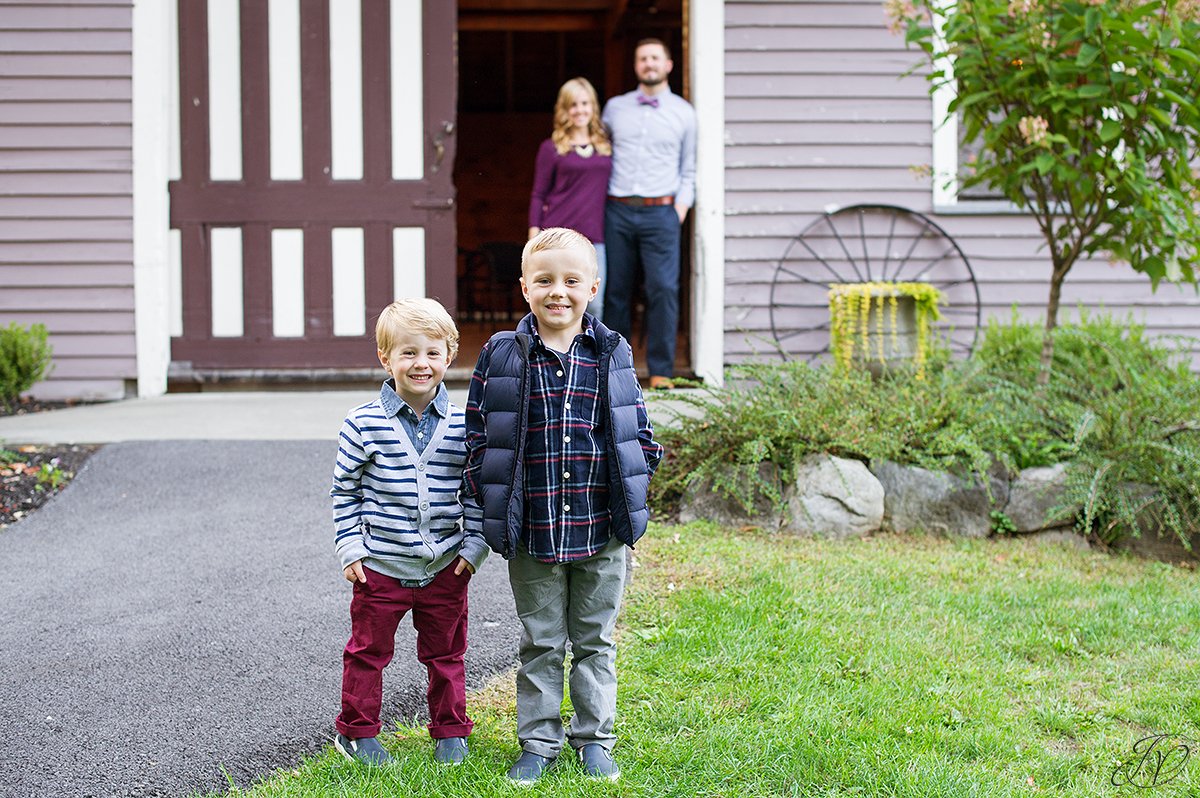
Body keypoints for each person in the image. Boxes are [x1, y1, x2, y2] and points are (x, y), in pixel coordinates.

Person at [463, 228, 664, 785]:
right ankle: (538, 741)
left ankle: (594, 737)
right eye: (545, 280)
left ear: (592, 286)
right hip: (534, 527)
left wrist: (640, 474)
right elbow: (480, 432)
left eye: (572, 281)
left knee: (595, 639)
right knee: (542, 640)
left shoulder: (611, 350)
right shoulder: (503, 353)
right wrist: (488, 495)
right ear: (524, 286)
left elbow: (635, 426)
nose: (559, 292)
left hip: (601, 527)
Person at [330, 298, 488, 768]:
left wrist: (474, 547)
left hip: (445, 565)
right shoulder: (362, 424)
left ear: (449, 355)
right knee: (367, 653)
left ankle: (450, 731)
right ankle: (358, 732)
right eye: (408, 353)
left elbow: (475, 491)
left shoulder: (464, 424)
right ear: (386, 357)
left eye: (432, 353)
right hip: (380, 566)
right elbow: (345, 492)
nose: (421, 363)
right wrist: (351, 547)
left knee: (446, 654)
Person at [602, 37, 697, 390]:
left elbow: (690, 169)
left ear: (669, 65)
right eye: (643, 58)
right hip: (618, 209)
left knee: (663, 289)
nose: (649, 64)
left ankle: (661, 371)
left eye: (656, 58)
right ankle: (613, 370)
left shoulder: (684, 113)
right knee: (616, 291)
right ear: (636, 65)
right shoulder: (614, 109)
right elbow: (600, 157)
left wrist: (678, 212)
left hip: (662, 212)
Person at [528, 77, 613, 321]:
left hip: (594, 237)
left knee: (594, 304)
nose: (580, 110)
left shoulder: (605, 147)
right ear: (565, 110)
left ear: (593, 107)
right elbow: (538, 193)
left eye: (585, 103)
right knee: (553, 300)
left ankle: (589, 357)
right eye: (573, 105)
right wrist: (534, 236)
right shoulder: (552, 147)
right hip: (556, 236)